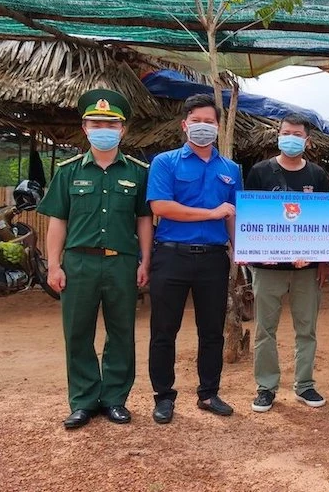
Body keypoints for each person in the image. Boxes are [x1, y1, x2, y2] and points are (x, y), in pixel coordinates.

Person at [38, 89, 153, 429]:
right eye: (96, 123)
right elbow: (57, 221)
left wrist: (145, 261)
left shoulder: (137, 172)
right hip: (79, 263)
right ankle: (84, 401)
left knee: (121, 332)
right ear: (85, 128)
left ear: (123, 130)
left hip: (121, 262)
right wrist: (54, 264)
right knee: (77, 333)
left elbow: (144, 220)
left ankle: (115, 398)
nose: (104, 128)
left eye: (111, 123)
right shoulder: (68, 171)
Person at [146, 93, 243, 424]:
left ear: (218, 127)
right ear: (185, 124)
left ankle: (209, 393)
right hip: (171, 256)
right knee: (164, 330)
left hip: (214, 260)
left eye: (210, 122)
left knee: (212, 331)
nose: (204, 127)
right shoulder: (165, 162)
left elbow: (233, 215)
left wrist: (241, 247)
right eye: (197, 121)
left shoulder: (230, 169)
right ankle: (163, 396)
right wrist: (211, 213)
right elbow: (161, 207)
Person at [245, 114, 329, 413]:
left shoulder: (318, 176)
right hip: (268, 268)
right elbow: (251, 218)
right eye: (285, 132)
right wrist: (255, 253)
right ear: (277, 135)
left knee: (306, 328)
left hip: (305, 269)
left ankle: (304, 385)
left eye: (297, 134)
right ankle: (266, 387)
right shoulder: (259, 172)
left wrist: (321, 261)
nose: (290, 138)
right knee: (264, 329)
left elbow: (324, 223)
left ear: (307, 141)